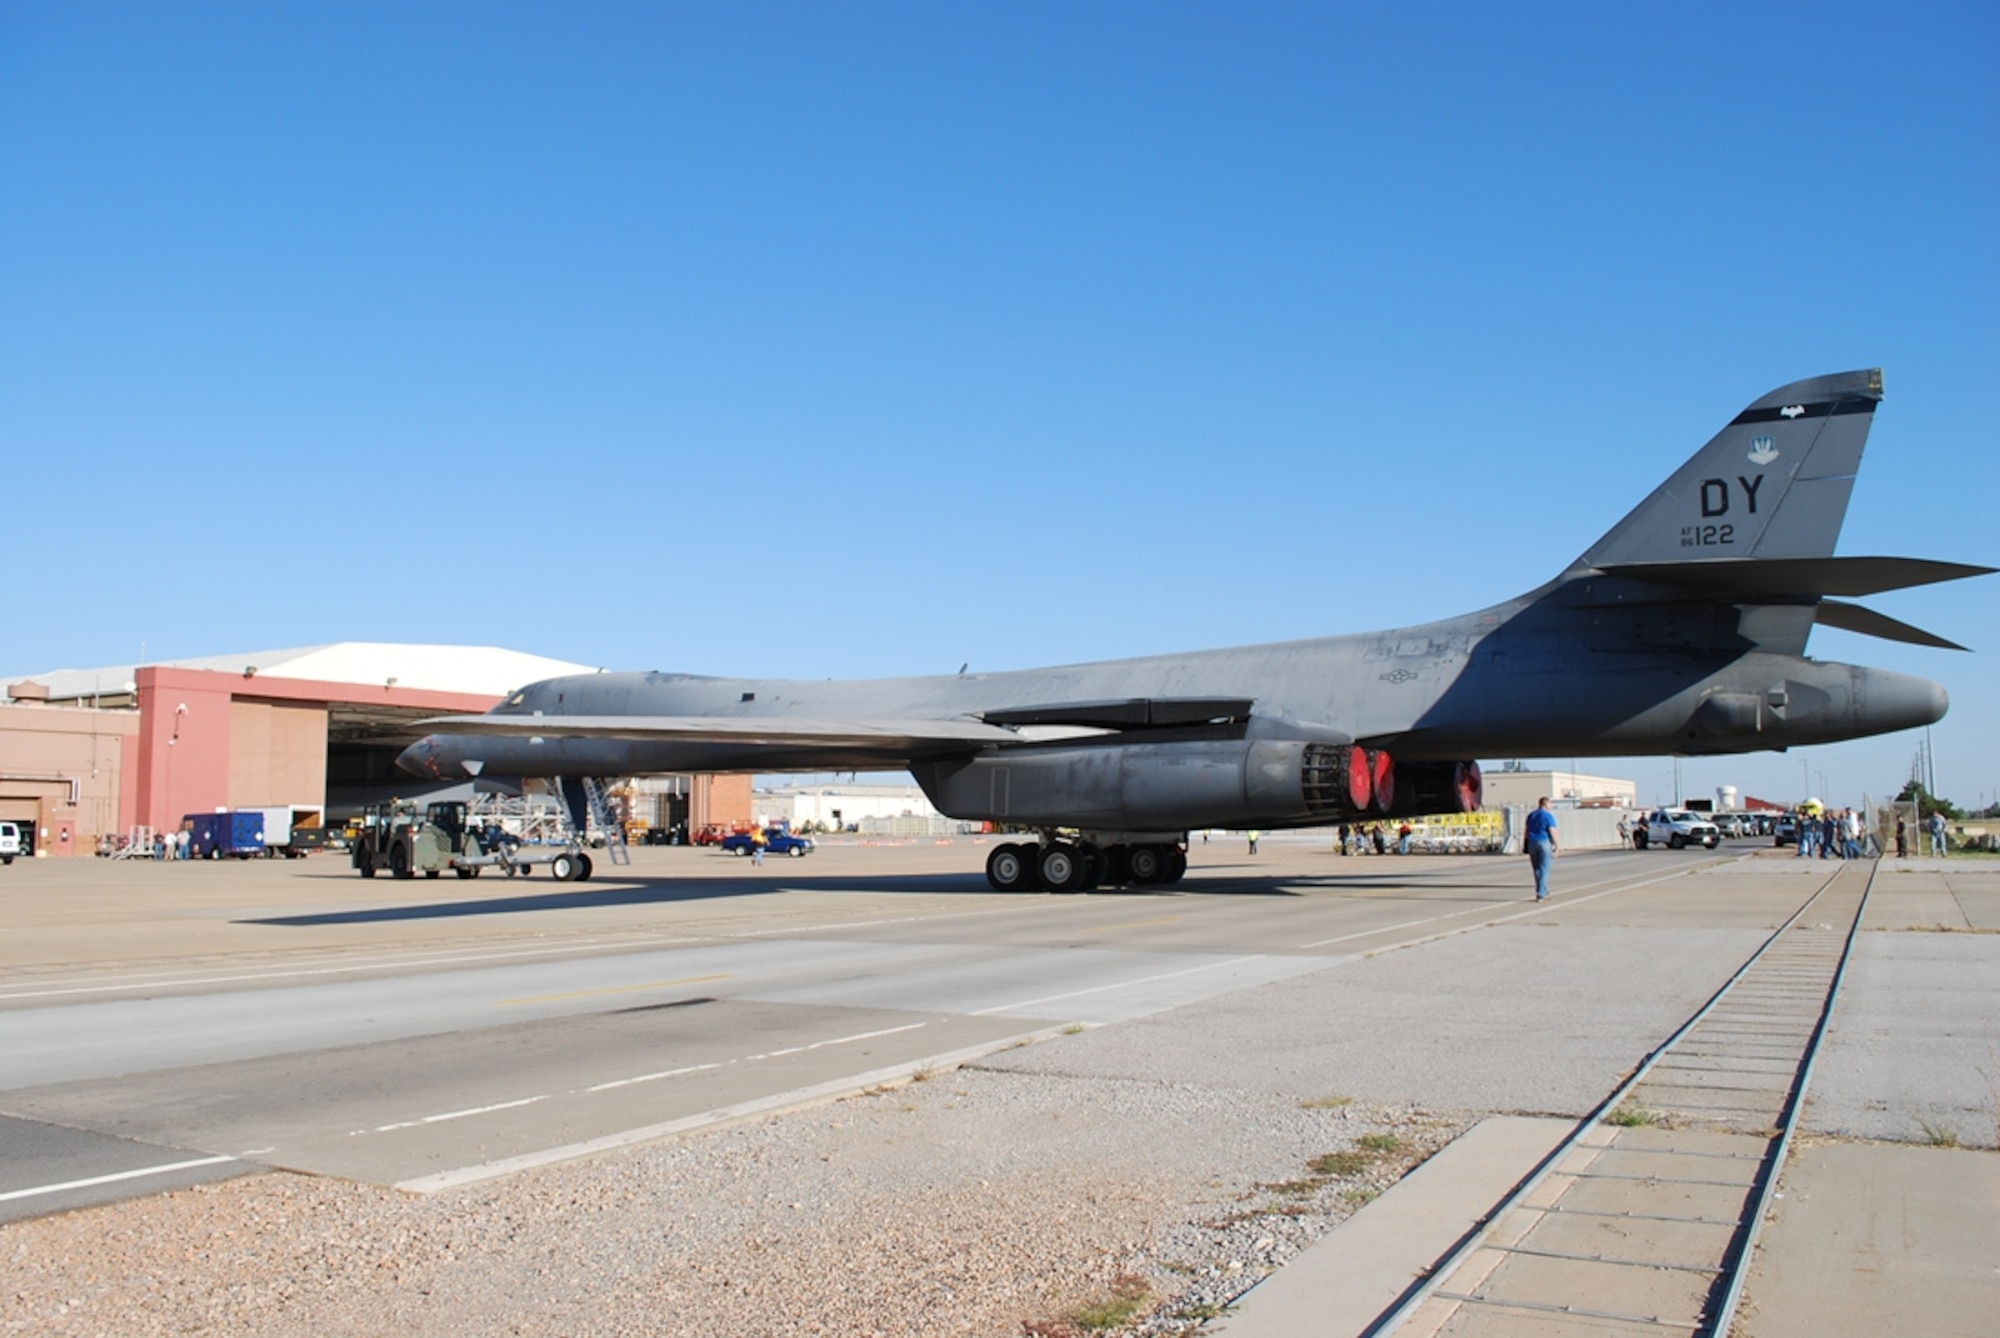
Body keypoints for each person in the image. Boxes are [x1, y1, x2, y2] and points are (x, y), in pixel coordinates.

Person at [1525, 797, 1558, 901]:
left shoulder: (1531, 815)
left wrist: (1525, 844)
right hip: (1544, 842)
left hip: (1532, 842)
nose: (1551, 806)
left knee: (1537, 869)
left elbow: (1526, 830)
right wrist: (1557, 846)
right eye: (1550, 804)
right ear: (1546, 804)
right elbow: (1552, 830)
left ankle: (1543, 889)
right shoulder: (1548, 816)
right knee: (1544, 868)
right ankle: (1540, 893)